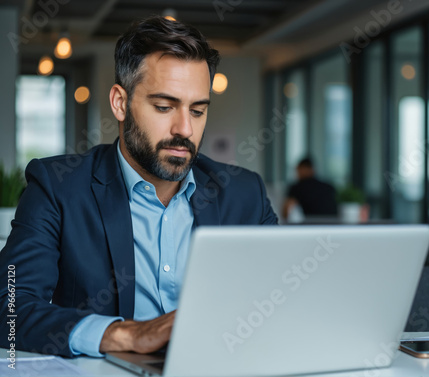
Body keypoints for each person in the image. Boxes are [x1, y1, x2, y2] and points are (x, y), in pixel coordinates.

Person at [0, 16, 277, 358]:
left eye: (198, 110)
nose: (185, 129)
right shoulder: (57, 187)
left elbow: (285, 299)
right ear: (120, 102)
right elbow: (9, 309)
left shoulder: (244, 194)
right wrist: (125, 336)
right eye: (164, 107)